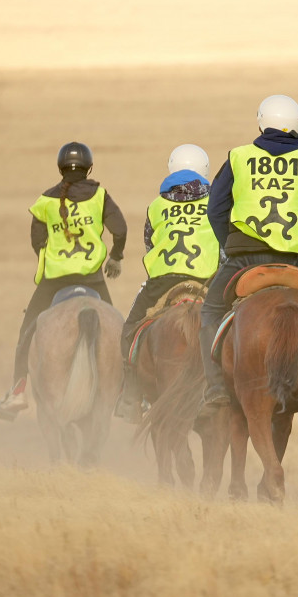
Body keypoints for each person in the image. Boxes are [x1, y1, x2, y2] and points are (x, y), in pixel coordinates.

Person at [198, 94, 298, 410]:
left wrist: (230, 246)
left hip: (244, 258)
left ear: (261, 123)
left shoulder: (238, 157)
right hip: (297, 259)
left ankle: (216, 386)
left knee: (209, 312)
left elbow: (216, 210)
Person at [0, 142, 127, 419]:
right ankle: (127, 394)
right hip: (93, 280)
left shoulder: (46, 200)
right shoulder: (100, 196)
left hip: (54, 280)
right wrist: (115, 257)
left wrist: (53, 259)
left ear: (60, 167)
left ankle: (18, 391)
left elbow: (37, 241)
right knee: (118, 333)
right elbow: (121, 229)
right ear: (89, 168)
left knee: (27, 331)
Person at [115, 144, 219, 418]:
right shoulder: (216, 202)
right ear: (205, 170)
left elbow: (150, 244)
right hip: (206, 280)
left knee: (130, 330)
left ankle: (131, 396)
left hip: (162, 282)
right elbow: (224, 247)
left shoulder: (156, 206)